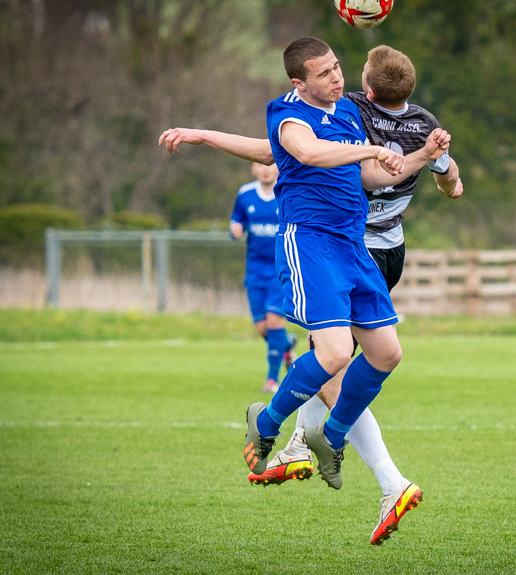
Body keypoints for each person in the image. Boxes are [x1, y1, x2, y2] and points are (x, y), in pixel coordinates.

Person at [159, 42, 460, 546]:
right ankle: (269, 421)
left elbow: (365, 174)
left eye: (339, 68)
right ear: (300, 83)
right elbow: (306, 153)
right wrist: (370, 147)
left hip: (351, 244)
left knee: (387, 353)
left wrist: (422, 157)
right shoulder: (288, 115)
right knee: (336, 352)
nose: (337, 79)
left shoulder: (345, 112)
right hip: (310, 242)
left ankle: (328, 435)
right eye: (324, 73)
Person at [229, 162, 297, 393]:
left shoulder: (288, 191)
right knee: (262, 328)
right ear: (252, 169)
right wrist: (235, 229)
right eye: (260, 164)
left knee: (274, 320)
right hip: (255, 270)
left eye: (270, 164)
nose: (266, 169)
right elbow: (236, 221)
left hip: (281, 269)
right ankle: (287, 345)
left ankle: (272, 379)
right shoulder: (245, 194)